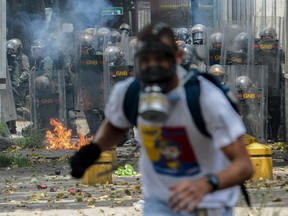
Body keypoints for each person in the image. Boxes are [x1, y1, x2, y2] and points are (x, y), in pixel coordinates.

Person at [70, 22, 253, 215]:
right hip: (159, 205)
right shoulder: (129, 92)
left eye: (160, 58)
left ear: (178, 57)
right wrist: (94, 149)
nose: (152, 66)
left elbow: (243, 165)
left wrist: (207, 184)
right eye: (145, 59)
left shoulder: (205, 98)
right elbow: (115, 126)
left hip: (208, 205)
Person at [6, 38, 30, 133]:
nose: (11, 49)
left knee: (17, 107)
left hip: (20, 87)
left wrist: (18, 81)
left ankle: (34, 119)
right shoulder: (10, 58)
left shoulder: (23, 58)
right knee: (10, 106)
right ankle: (11, 127)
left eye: (13, 47)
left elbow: (26, 72)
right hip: (12, 85)